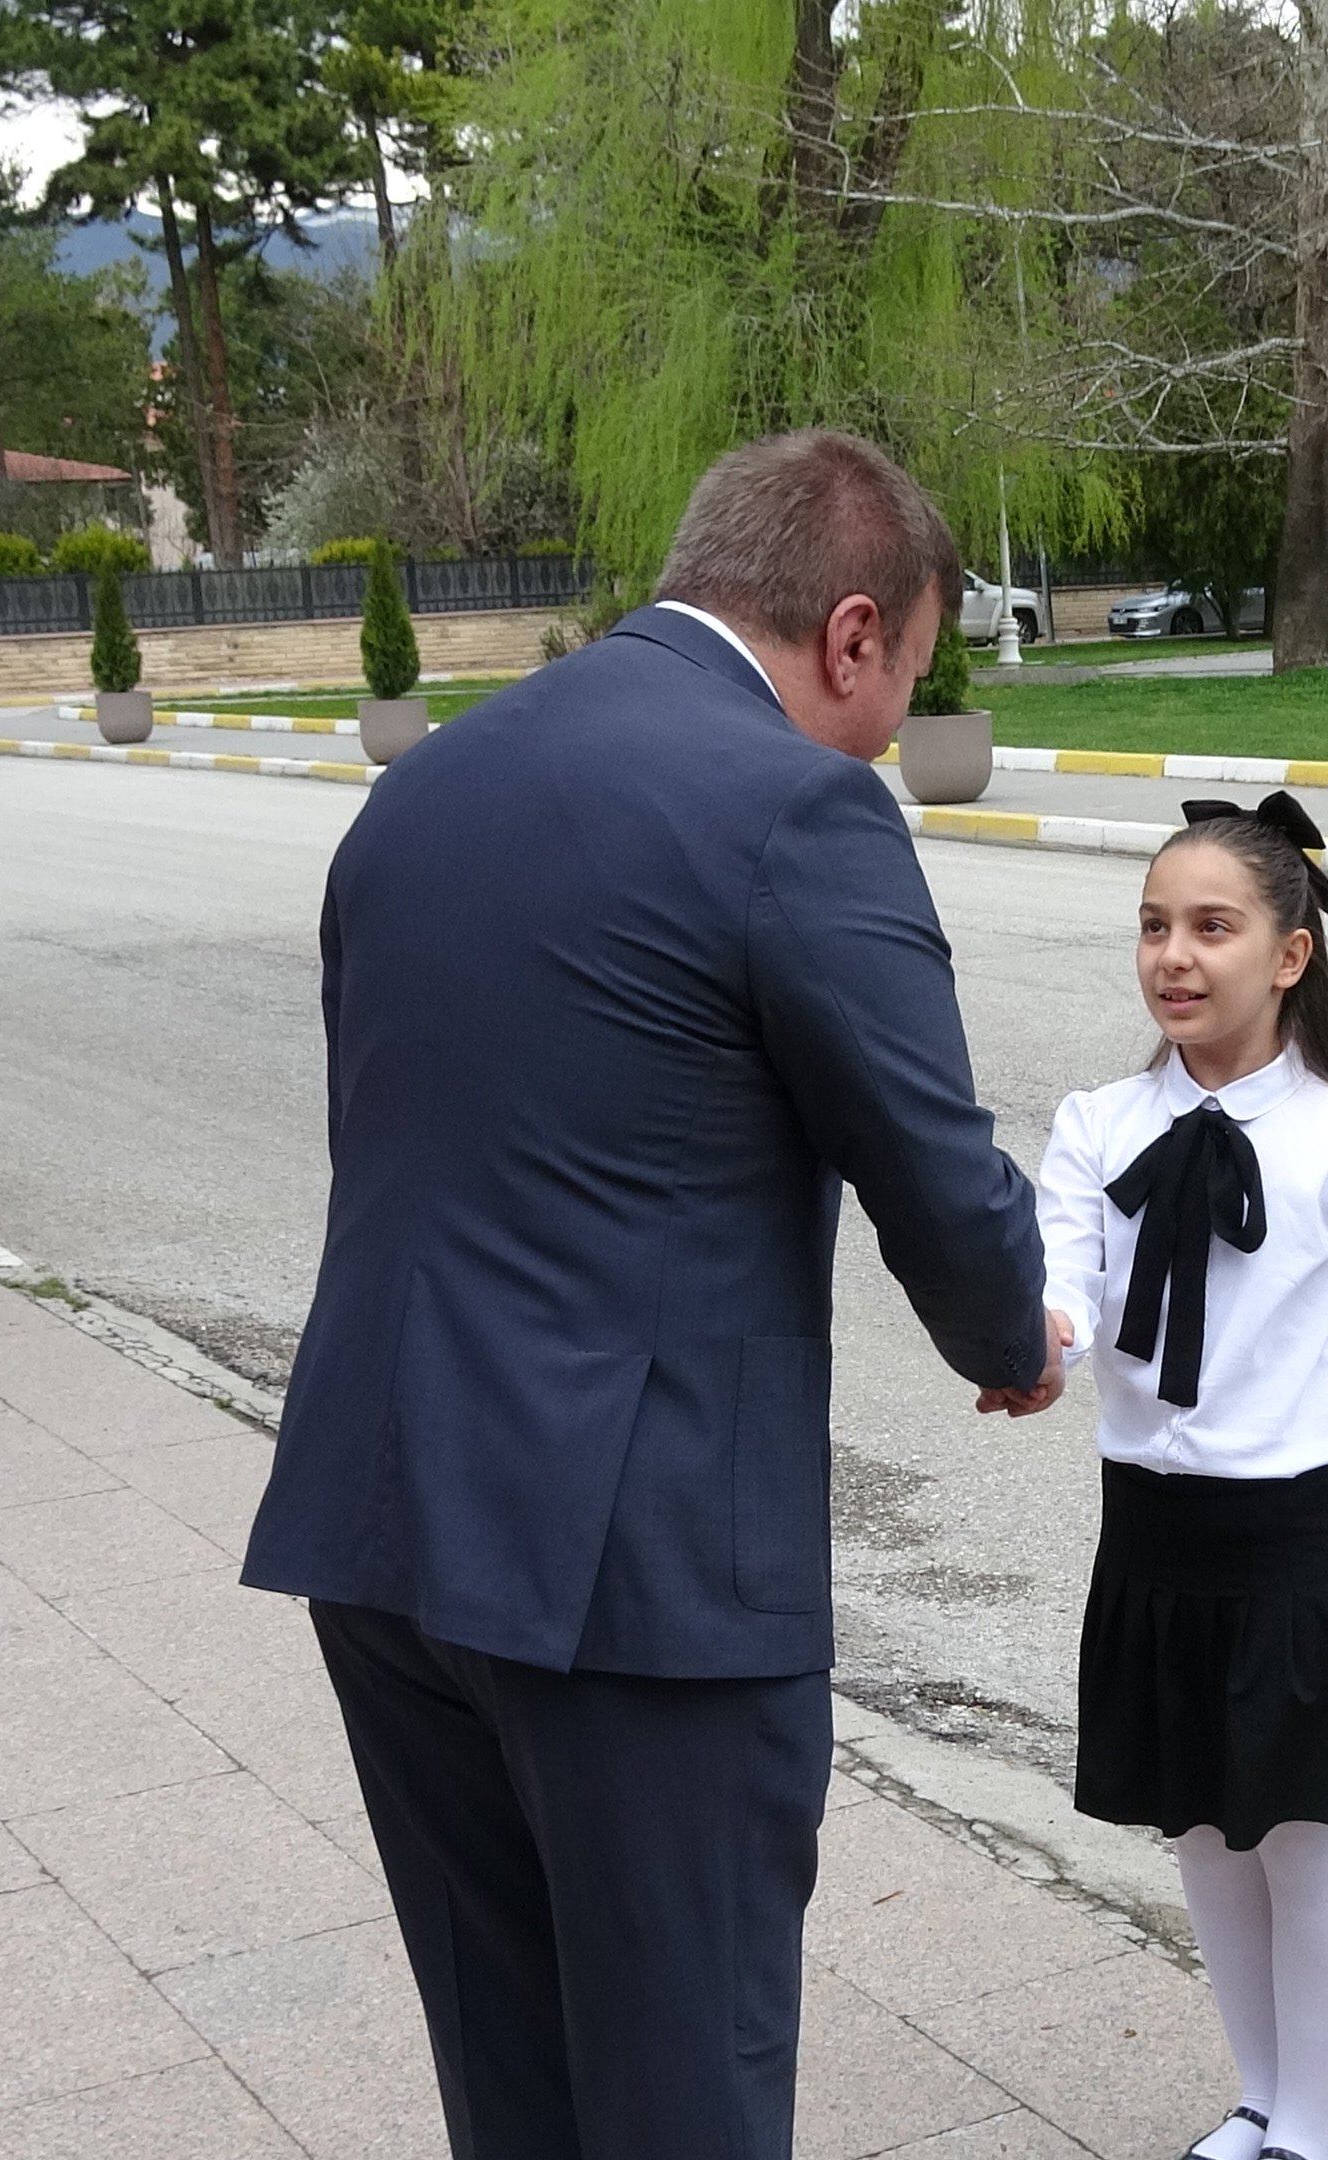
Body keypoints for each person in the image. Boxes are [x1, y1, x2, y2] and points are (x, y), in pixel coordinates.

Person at [239, 429, 1060, 2159]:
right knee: (685, 2089)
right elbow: (929, 1155)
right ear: (852, 635)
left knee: (515, 2079)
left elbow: (403, 1137)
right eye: (906, 682)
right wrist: (1015, 1335)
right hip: (634, 1574)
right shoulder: (797, 807)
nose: (894, 727)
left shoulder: (428, 787)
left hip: (383, 1528)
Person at [1034, 792, 1328, 2160]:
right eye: (1156, 926)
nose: (1175, 955)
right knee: (1206, 1831)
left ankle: (1311, 2126)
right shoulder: (1097, 1125)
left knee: (1301, 1829)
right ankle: (1256, 2096)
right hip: (1157, 1535)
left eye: (1213, 928)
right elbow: (1065, 1288)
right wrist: (1024, 1329)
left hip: (1307, 1537)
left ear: (1289, 957)